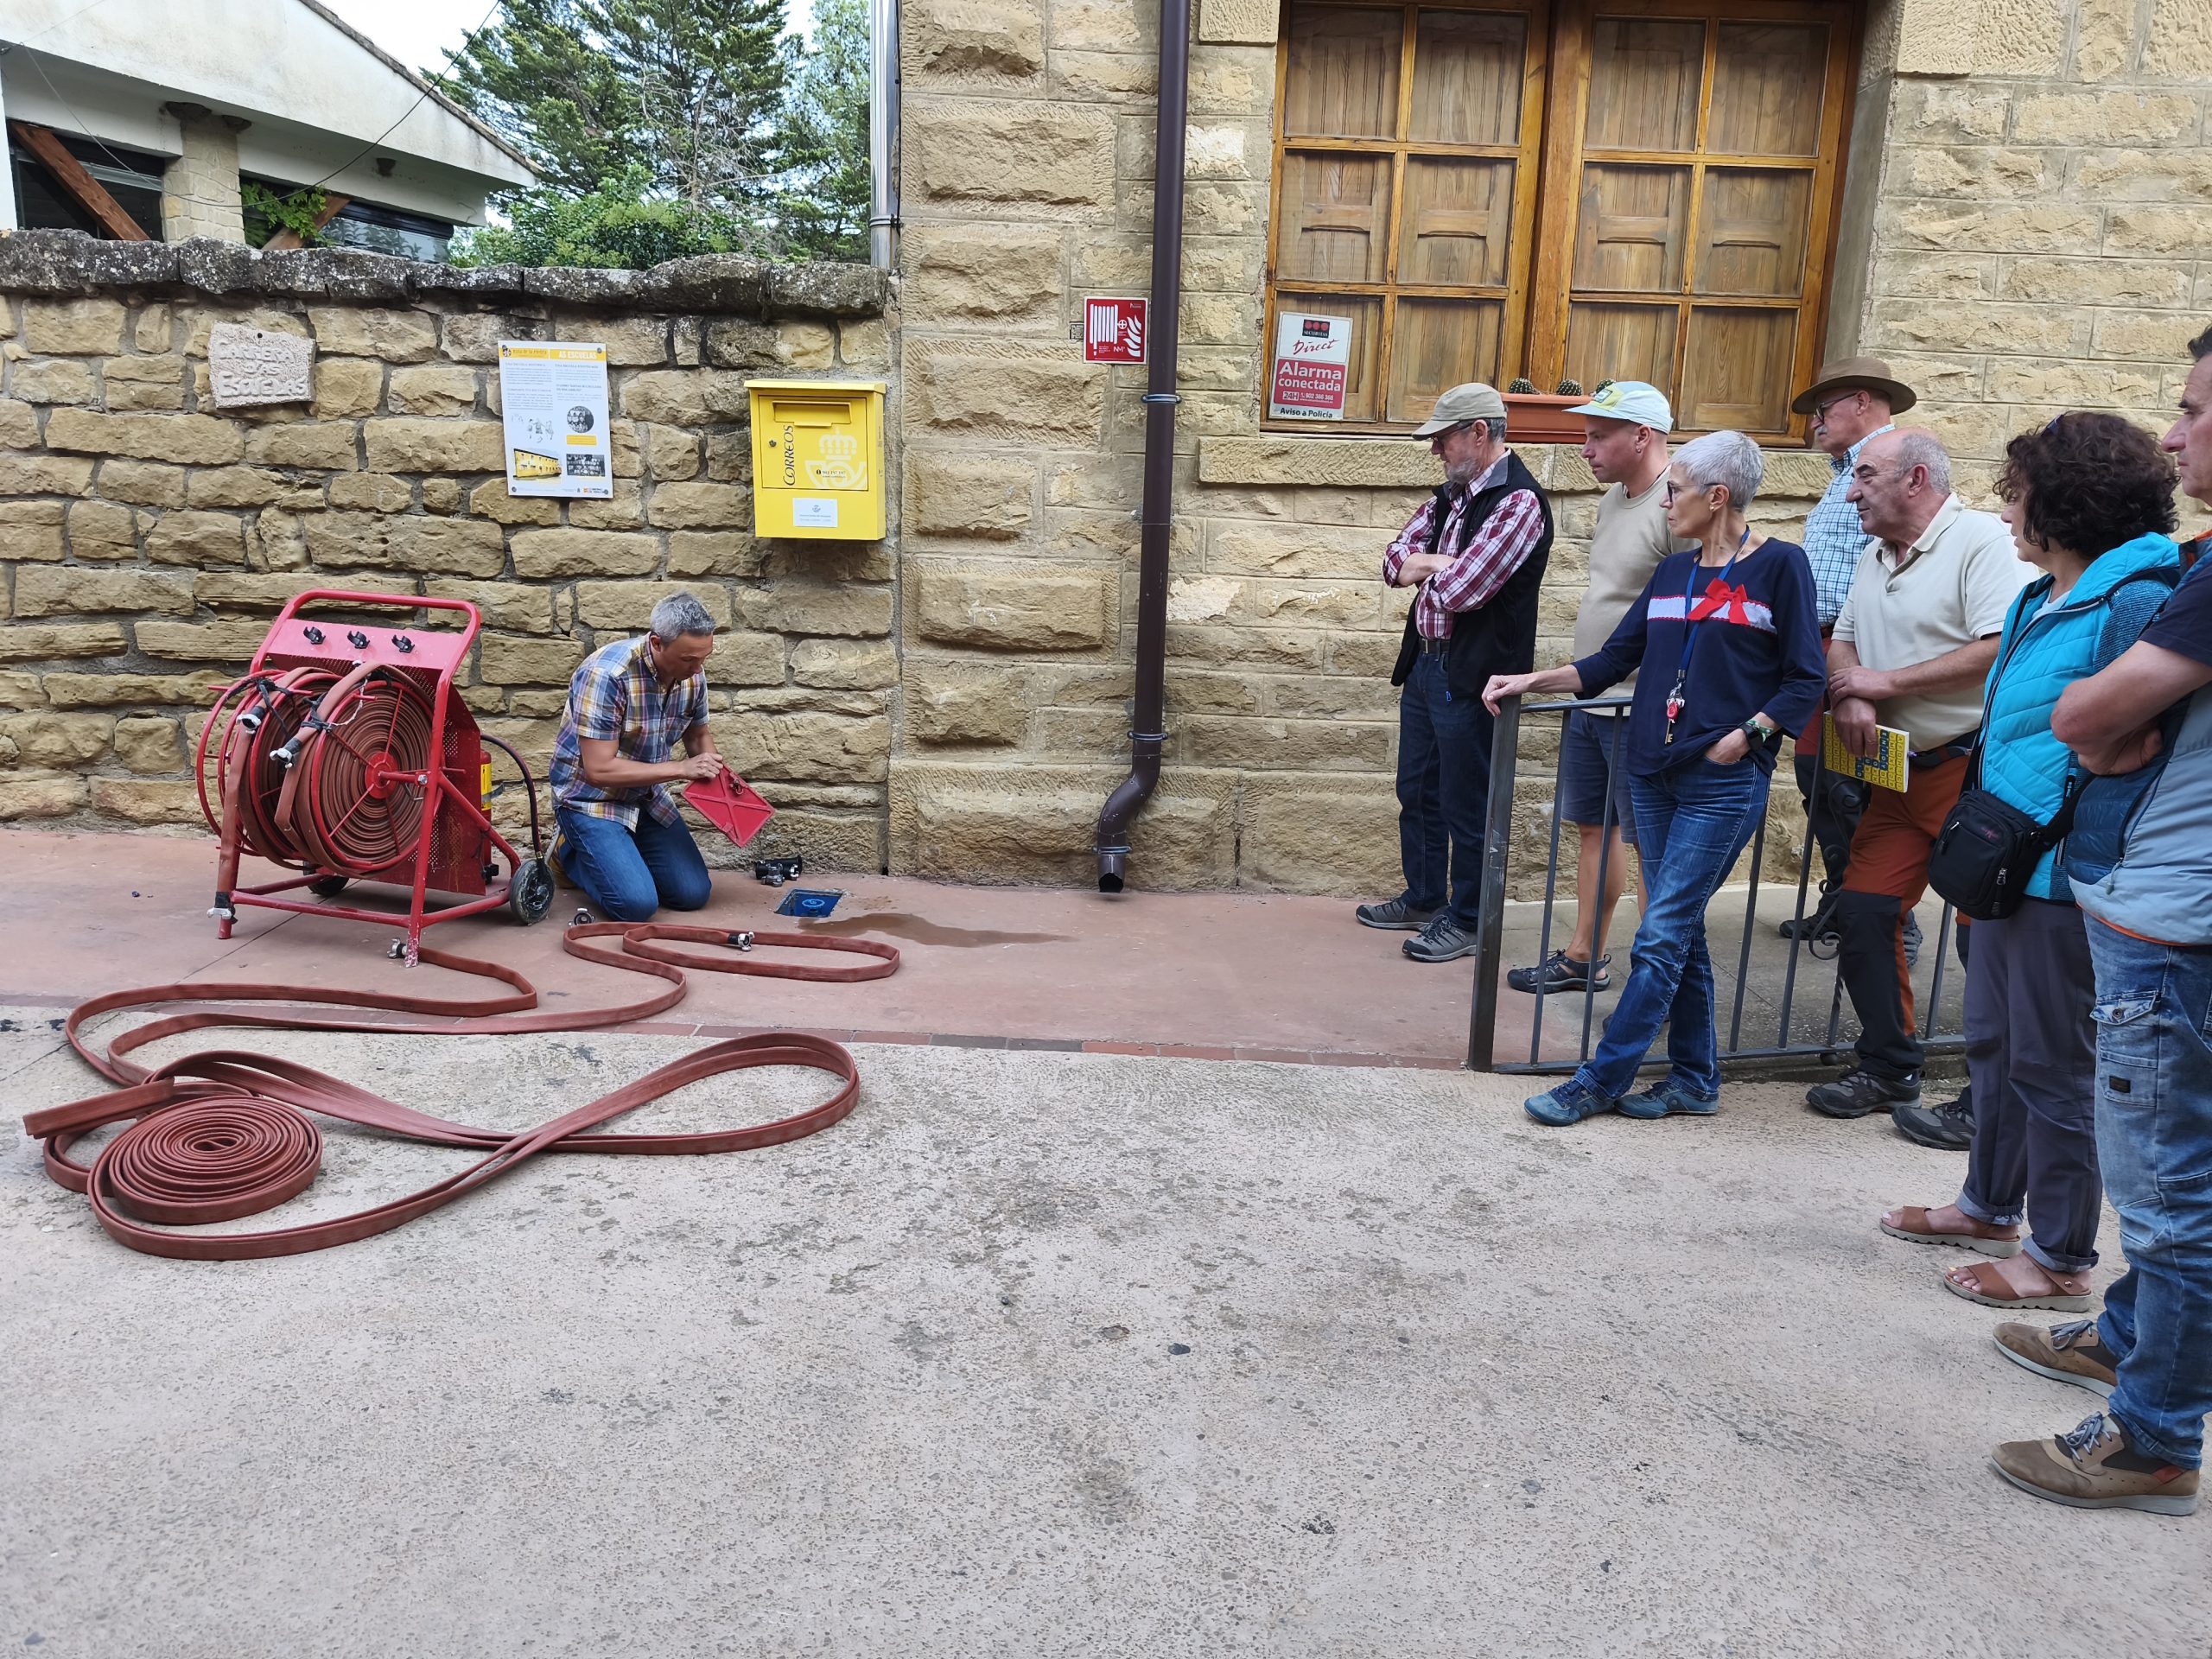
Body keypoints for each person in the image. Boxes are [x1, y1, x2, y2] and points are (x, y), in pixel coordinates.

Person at [1878, 414, 2181, 1326]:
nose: (2007, 509)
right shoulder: (2040, 594)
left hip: (2062, 878)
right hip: (2009, 868)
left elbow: (2140, 740)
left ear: (2068, 498)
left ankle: (2057, 1255)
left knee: (2053, 1068)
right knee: (1994, 1050)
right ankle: (1986, 1207)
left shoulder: (2133, 596)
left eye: (2017, 492)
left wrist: (2085, 835)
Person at [1984, 335, 2212, 1516]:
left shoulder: (2179, 580)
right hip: (2154, 905)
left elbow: (2098, 716)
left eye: (2192, 411)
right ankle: (2129, 1341)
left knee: (2172, 1199)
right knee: (2171, 1180)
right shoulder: (2193, 564)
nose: (2174, 437)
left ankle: (2154, 1442)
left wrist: (2092, 715)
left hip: (2176, 920)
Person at [1482, 432, 1824, 1126]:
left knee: (1660, 933)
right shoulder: (1672, 575)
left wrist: (1750, 735)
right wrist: (1534, 679)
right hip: (1651, 772)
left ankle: (1599, 1078)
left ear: (1717, 496)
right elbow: (1610, 662)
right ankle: (1696, 1080)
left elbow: (1806, 677)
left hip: (1721, 781)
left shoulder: (1781, 567)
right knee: (1682, 930)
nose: (1666, 501)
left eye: (1677, 491)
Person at [1802, 431, 2031, 1127]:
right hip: (1897, 776)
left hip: (1973, 774)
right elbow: (1842, 634)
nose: (1851, 492)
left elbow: (2001, 645)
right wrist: (1853, 692)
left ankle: (1992, 1096)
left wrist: (1885, 680)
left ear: (1917, 478)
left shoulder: (1982, 543)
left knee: (1983, 938)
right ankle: (1888, 1069)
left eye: (1864, 475)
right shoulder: (1877, 553)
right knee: (1865, 914)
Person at [1357, 383, 1554, 964]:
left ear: (1479, 432)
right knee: (1416, 790)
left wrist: (1433, 567)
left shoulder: (1518, 503)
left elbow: (1463, 592)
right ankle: (1424, 897)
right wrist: (1432, 563)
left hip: (1474, 678)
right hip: (1425, 663)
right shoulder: (1451, 497)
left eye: (1443, 439)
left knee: (1466, 802)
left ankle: (1467, 919)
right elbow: (1394, 560)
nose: (1436, 451)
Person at [1506, 380, 1686, 996]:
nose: (1585, 449)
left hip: (1643, 706)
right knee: (1593, 828)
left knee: (1650, 846)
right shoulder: (1615, 501)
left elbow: (1695, 613)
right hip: (1595, 695)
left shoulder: (1678, 503)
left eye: (1599, 435)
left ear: (1643, 436)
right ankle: (1584, 956)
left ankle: (1660, 976)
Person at [1781, 357, 1915, 955]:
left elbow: (1900, 561)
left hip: (1855, 646)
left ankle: (1889, 916)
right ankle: (1845, 901)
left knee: (1851, 780)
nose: (1814, 424)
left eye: (1822, 409)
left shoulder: (1895, 464)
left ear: (1862, 401)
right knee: (1824, 776)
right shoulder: (1845, 473)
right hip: (1825, 643)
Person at [549, 592, 729, 924]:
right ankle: (566, 854)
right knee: (635, 906)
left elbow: (698, 735)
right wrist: (681, 769)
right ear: (657, 643)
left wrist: (724, 798)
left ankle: (621, 852)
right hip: (590, 800)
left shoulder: (692, 674)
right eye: (690, 659)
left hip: (646, 797)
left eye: (705, 658)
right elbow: (599, 770)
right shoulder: (607, 675)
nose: (699, 668)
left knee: (692, 894)